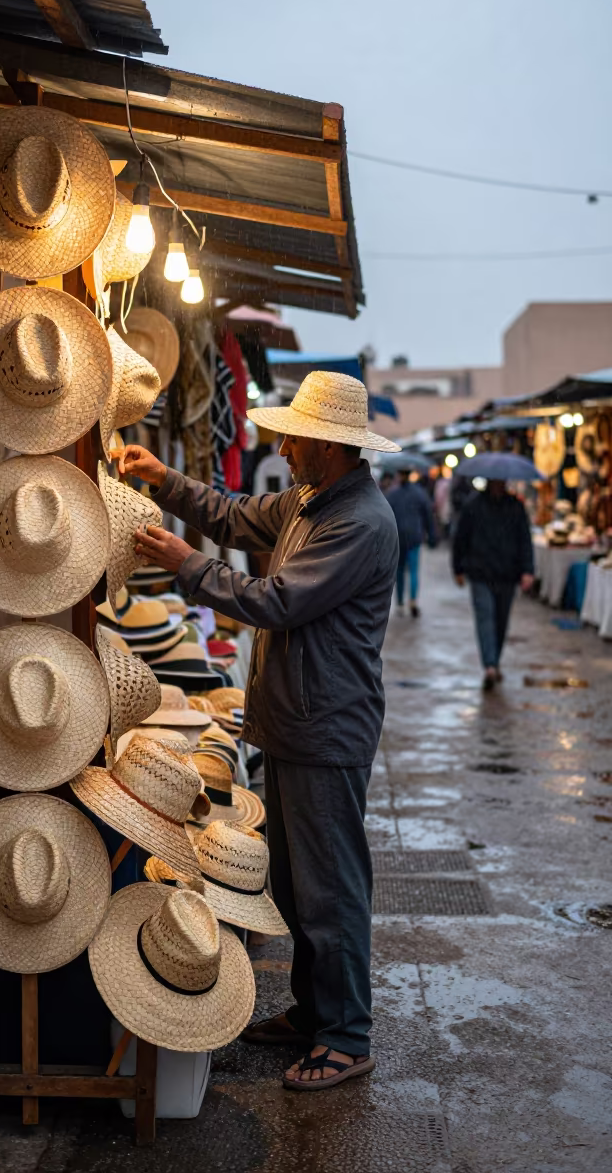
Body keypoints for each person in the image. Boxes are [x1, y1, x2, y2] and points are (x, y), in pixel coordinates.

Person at [112, 371, 399, 1092]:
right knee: (300, 888)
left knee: (330, 888)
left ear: (327, 447)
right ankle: (313, 1011)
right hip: (299, 721)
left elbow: (277, 601)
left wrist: (187, 567)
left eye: (294, 436)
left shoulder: (358, 522)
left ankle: (345, 1034)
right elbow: (235, 515)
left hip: (326, 728)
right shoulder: (313, 500)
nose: (282, 444)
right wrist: (165, 479)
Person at [452, 479, 534, 690]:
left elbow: (525, 539)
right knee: (485, 617)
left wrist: (527, 569)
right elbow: (460, 537)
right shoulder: (473, 505)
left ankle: (494, 661)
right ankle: (489, 665)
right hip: (480, 573)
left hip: (507, 574)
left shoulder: (515, 506)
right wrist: (458, 568)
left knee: (501, 620)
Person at [385, 470, 436, 617]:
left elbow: (386, 516)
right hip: (414, 536)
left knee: (399, 571)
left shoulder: (393, 494)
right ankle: (412, 601)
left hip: (399, 537)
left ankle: (400, 602)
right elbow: (428, 515)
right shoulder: (420, 493)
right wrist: (431, 534)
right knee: (413, 571)